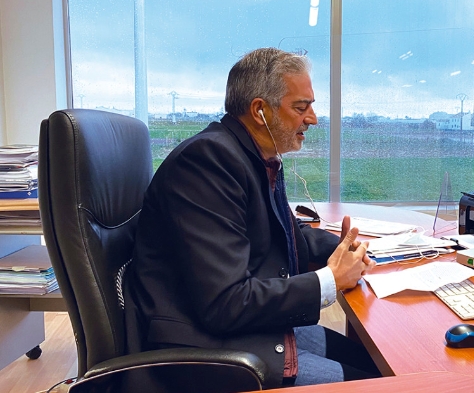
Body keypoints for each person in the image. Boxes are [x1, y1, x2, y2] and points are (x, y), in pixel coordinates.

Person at [123, 48, 380, 389]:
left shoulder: (251, 156)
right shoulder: (208, 161)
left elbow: (288, 234)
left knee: (382, 367)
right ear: (260, 110)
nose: (313, 118)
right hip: (204, 349)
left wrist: (347, 248)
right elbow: (225, 303)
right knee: (388, 383)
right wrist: (331, 280)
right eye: (301, 107)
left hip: (245, 331)